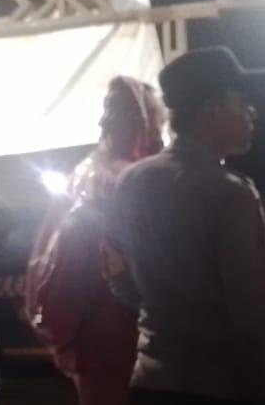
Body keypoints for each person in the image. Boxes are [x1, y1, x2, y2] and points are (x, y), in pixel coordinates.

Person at [105, 47, 265, 405]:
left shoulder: (131, 181)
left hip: (149, 383)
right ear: (212, 110)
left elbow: (119, 278)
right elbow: (256, 317)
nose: (252, 112)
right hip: (217, 387)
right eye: (242, 102)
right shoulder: (230, 193)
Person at [25, 76, 166, 405]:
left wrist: (62, 340)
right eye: (158, 121)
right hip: (124, 342)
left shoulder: (84, 176)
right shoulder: (129, 181)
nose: (161, 133)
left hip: (93, 348)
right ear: (141, 124)